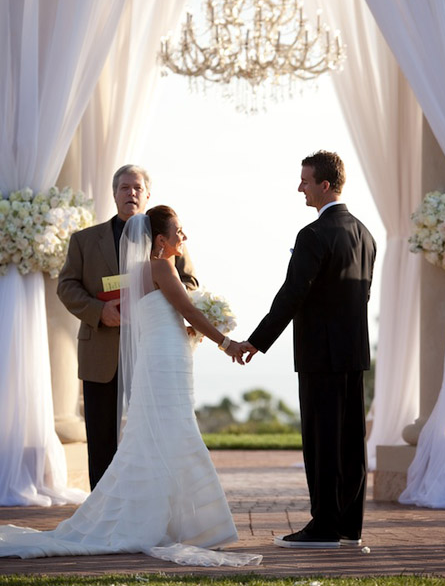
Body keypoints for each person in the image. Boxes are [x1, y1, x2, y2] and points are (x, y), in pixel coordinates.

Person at [0, 207, 261, 567]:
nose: (184, 238)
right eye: (179, 232)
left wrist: (187, 331)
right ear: (160, 241)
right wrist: (226, 342)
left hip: (161, 356)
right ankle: (197, 525)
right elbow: (189, 310)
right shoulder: (161, 267)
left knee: (161, 435)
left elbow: (161, 314)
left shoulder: (137, 271)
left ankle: (174, 521)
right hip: (165, 362)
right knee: (176, 432)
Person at [237, 151, 376, 549]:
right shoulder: (365, 233)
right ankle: (349, 524)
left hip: (320, 354)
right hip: (354, 354)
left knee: (321, 440)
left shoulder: (312, 235)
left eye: (305, 180)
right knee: (350, 442)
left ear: (325, 185)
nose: (300, 187)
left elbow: (291, 296)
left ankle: (324, 527)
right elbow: (362, 296)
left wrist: (256, 340)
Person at [57, 165, 198, 489]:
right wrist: (99, 310)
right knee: (101, 435)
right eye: (124, 187)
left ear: (147, 195)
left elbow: (189, 282)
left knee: (151, 430)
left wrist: (156, 302)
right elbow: (67, 286)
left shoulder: (169, 237)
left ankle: (146, 499)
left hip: (151, 349)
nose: (131, 193)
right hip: (100, 347)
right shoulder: (84, 240)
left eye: (137, 188)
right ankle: (101, 507)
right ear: (114, 193)